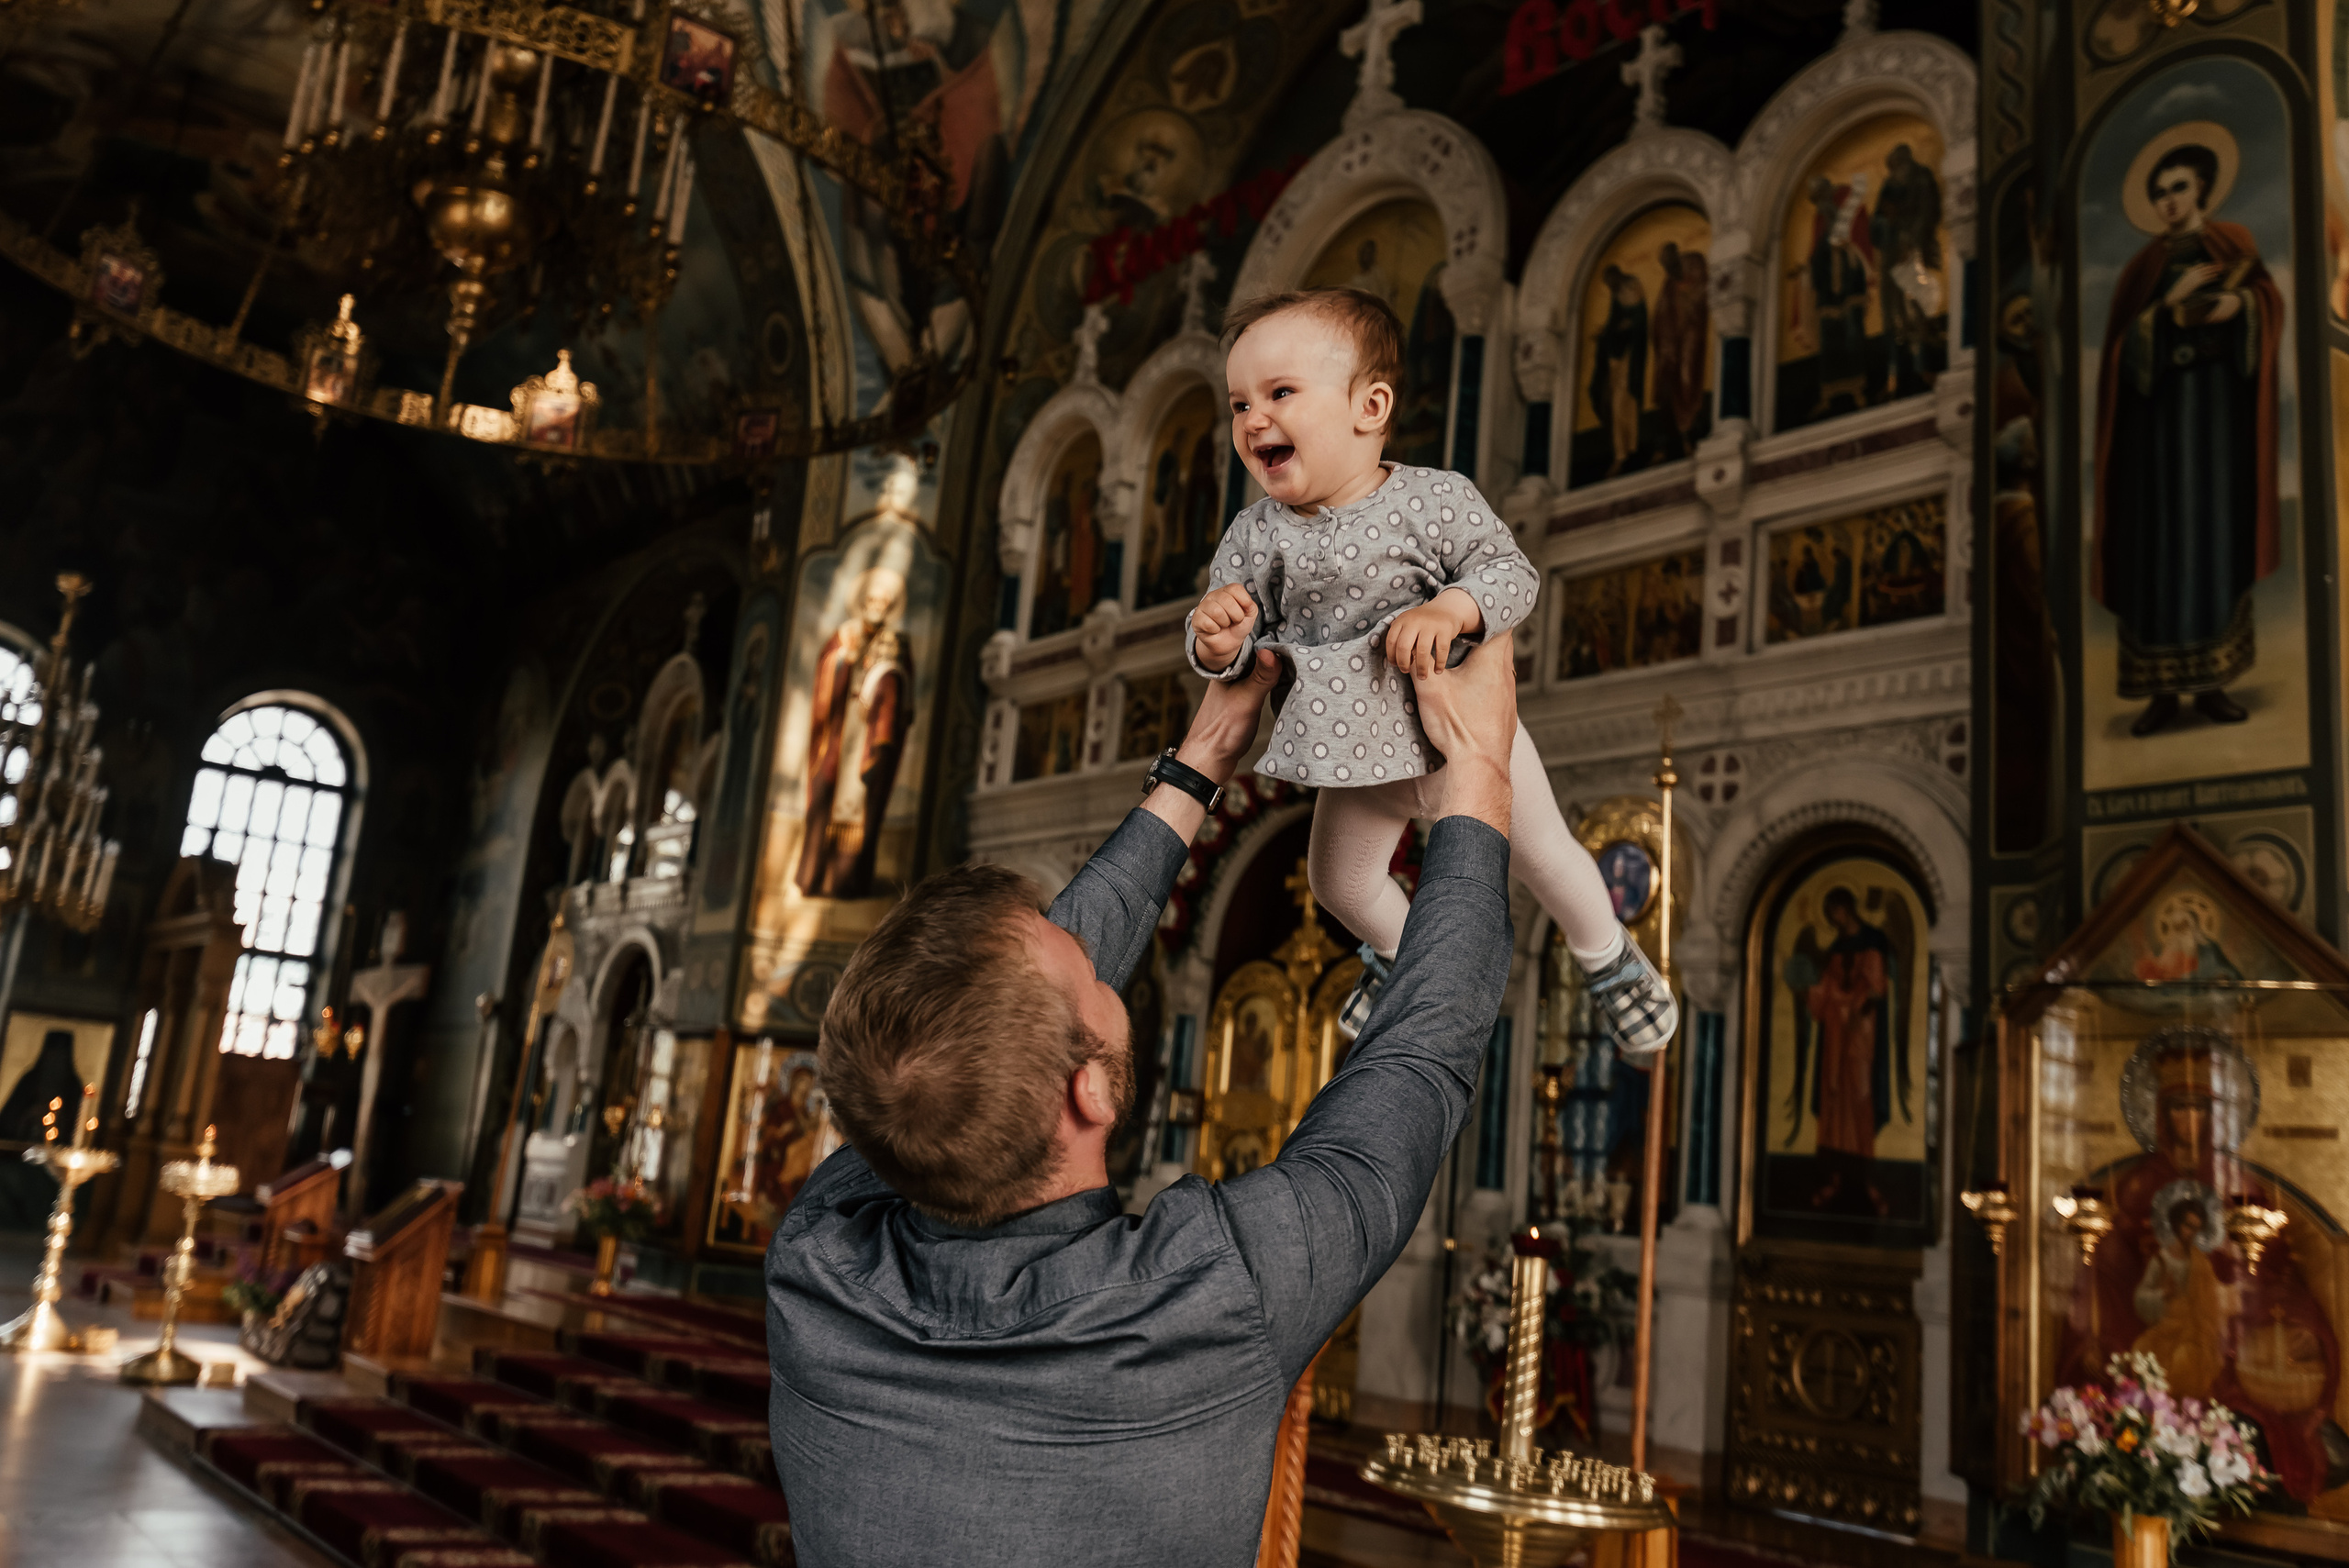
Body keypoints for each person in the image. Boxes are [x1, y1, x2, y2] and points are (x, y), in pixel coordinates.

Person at [768, 628, 1523, 1564]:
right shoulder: (1215, 1292)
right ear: (1087, 1087)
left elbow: (993, 1021)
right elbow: (1418, 1056)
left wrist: (1202, 758)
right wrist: (1480, 772)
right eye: (1089, 974)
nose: (1094, 958)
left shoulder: (817, 1259)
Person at [1186, 286, 1675, 1055]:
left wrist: (1454, 610)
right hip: (1354, 760)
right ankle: (1403, 956)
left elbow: (1511, 575)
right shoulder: (1255, 534)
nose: (1252, 419)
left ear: (1370, 406)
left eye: (1279, 393)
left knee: (1544, 851)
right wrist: (1217, 640)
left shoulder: (1434, 499)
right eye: (1238, 403)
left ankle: (1607, 956)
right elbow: (1240, 638)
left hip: (1469, 738)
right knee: (1338, 882)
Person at [2092, 140, 2282, 738]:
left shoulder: (2234, 246)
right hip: (2156, 436)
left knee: (2210, 542)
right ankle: (2160, 694)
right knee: (2158, 550)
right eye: (2159, 193)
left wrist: (2240, 304)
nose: (2168, 202)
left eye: (2177, 188)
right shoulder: (2141, 271)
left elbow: (2269, 306)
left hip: (2216, 424)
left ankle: (2211, 685)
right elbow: (2120, 356)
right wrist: (2167, 311)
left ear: (2201, 188)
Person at [796, 566, 913, 900]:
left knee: (861, 808)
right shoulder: (844, 634)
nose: (876, 605)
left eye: (883, 601)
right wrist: (843, 660)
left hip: (871, 738)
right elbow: (826, 669)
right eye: (872, 599)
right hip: (841, 733)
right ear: (862, 602)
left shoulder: (896, 643)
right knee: (829, 801)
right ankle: (815, 874)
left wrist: (888, 680)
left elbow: (905, 691)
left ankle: (850, 880)